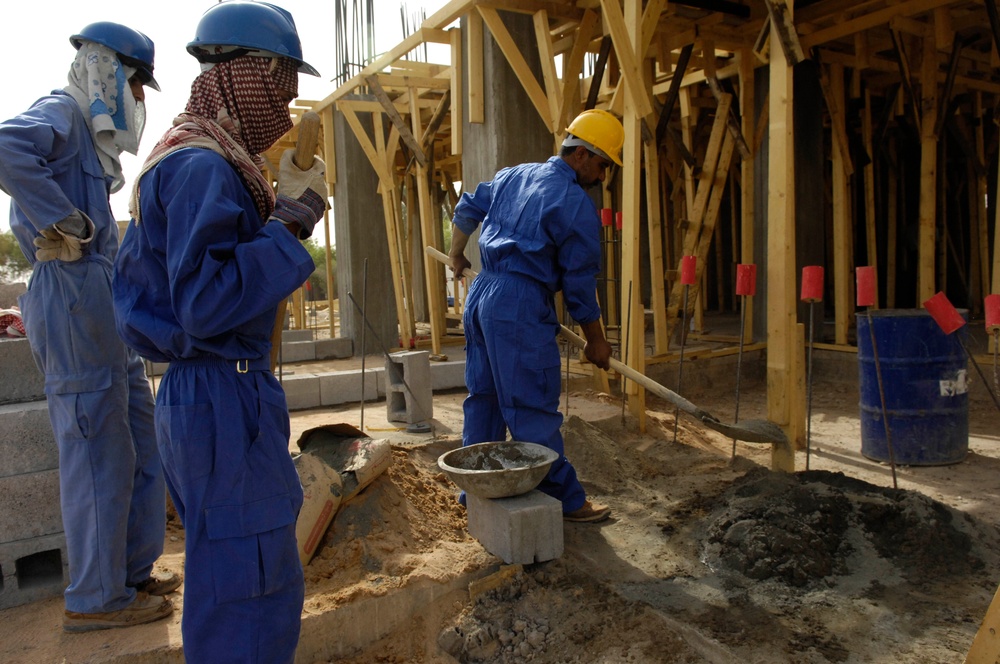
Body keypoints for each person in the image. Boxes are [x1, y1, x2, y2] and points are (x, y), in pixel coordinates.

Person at [111, 1, 325, 661]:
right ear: (248, 71)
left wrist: (277, 212)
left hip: (209, 397)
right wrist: (290, 223)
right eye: (283, 78)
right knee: (248, 589)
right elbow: (206, 303)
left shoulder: (195, 155)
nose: (288, 98)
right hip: (222, 397)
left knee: (228, 576)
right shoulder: (204, 166)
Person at [0, 22, 178, 632]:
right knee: (96, 448)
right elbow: (5, 145)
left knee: (136, 436)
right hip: (70, 292)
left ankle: (130, 572)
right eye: (134, 83)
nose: (139, 99)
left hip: (98, 295)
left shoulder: (88, 138)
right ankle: (96, 599)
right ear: (106, 71)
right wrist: (64, 219)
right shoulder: (61, 113)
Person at [449, 109, 622, 523]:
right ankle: (563, 497)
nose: (601, 177)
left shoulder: (514, 174)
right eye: (602, 166)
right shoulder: (574, 203)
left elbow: (470, 205)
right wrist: (595, 337)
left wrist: (456, 251)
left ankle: (473, 492)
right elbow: (579, 281)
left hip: (483, 294)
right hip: (519, 302)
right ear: (581, 155)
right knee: (530, 403)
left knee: (485, 399)